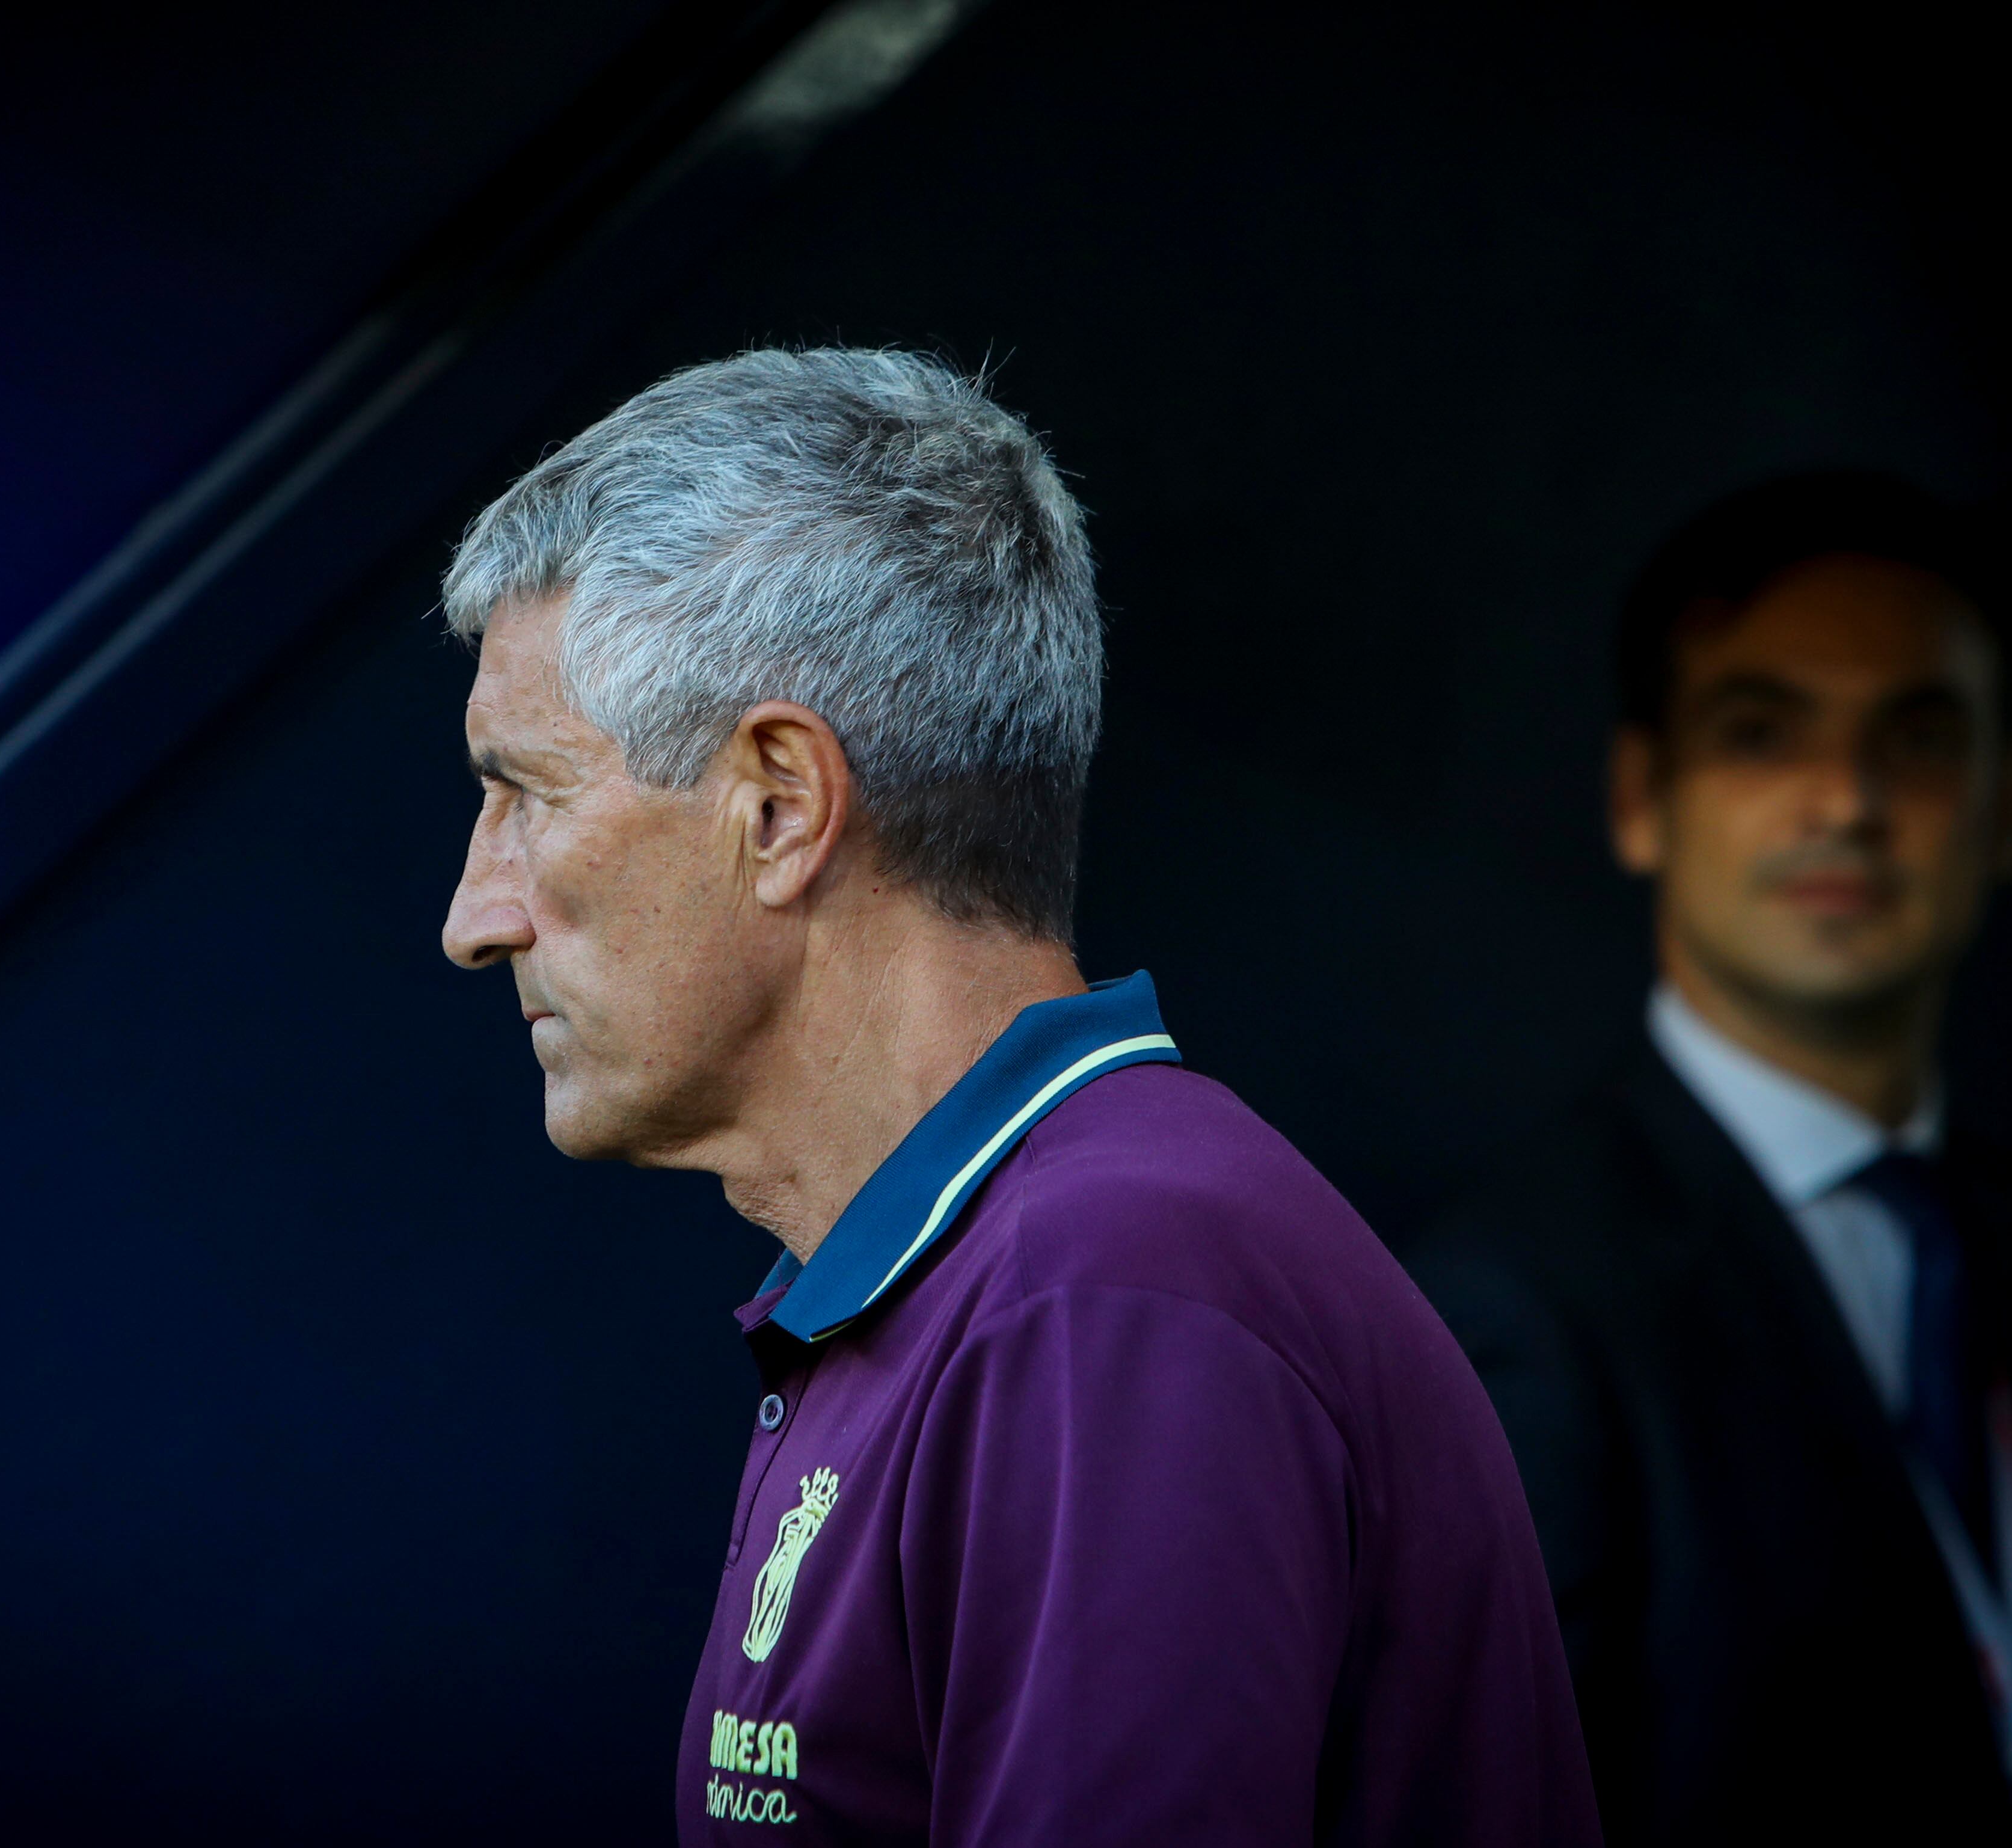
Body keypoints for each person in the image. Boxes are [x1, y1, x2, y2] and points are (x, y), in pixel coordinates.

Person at [437, 349, 1598, 1845]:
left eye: (526, 789)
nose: (475, 914)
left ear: (780, 804)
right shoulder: (1003, 1269)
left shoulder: (1105, 1291)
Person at [1409, 473, 2012, 1846]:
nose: (1844, 799)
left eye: (1917, 736)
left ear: (2006, 806)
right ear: (1641, 797)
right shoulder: (1511, 1311)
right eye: (1762, 732)